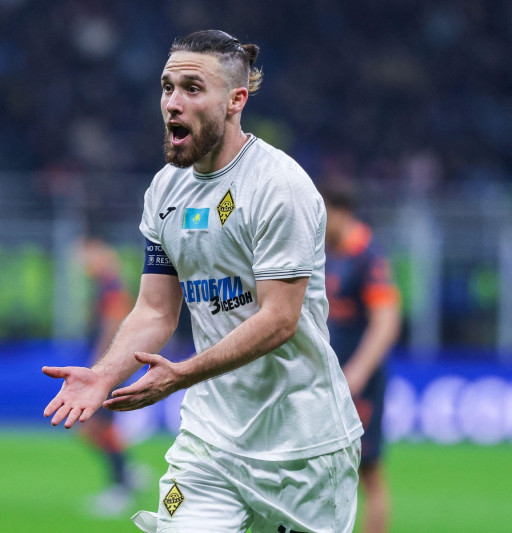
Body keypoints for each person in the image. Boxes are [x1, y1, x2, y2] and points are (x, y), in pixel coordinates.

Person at [43, 29, 363, 532]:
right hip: (209, 441)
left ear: (236, 100)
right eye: (168, 87)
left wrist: (183, 374)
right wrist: (105, 374)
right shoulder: (165, 190)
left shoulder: (279, 186)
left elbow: (279, 319)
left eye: (192, 88)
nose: (173, 102)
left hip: (300, 445)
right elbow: (155, 311)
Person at [321, 183, 401, 533]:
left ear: (340, 212)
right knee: (323, 468)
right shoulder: (328, 253)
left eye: (322, 213)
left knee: (368, 471)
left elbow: (387, 320)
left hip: (359, 380)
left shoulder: (367, 255)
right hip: (330, 376)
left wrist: (359, 371)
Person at [76, 236, 141, 516]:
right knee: (94, 428)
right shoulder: (104, 285)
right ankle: (128, 473)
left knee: (96, 427)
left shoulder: (111, 285)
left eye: (85, 256)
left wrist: (99, 365)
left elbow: (113, 324)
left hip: (109, 365)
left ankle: (121, 486)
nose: (81, 263)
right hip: (109, 364)